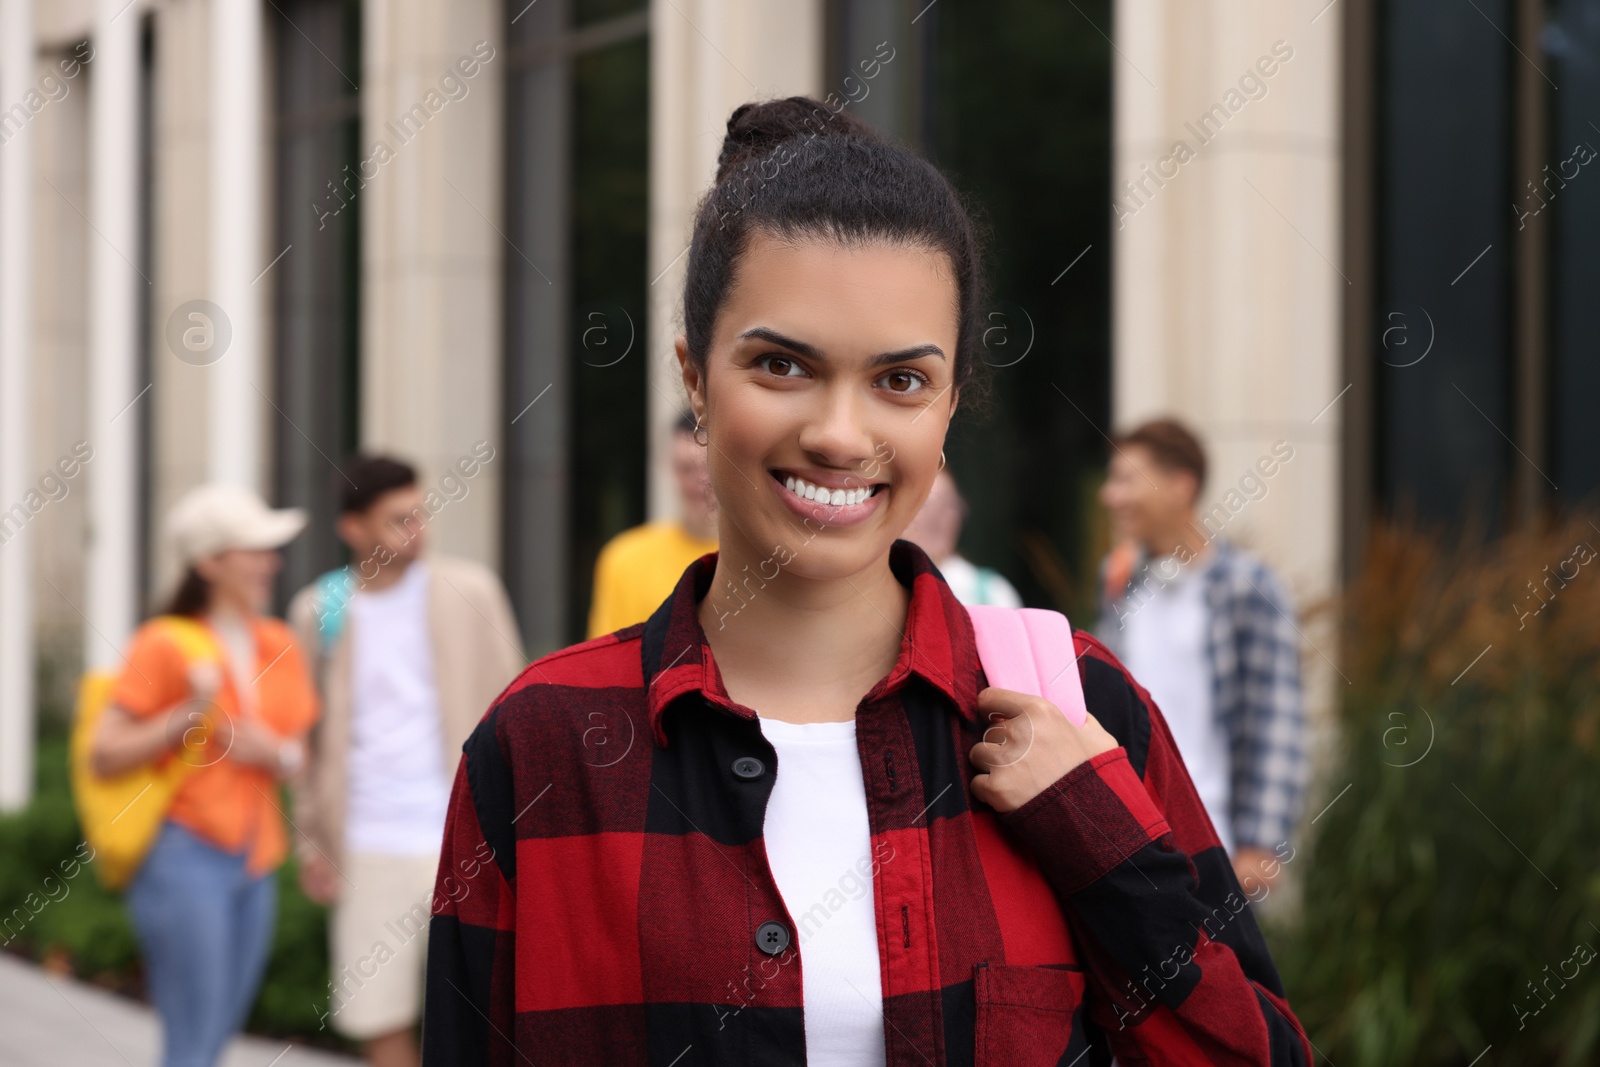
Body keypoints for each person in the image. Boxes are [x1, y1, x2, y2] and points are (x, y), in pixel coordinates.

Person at [425, 97, 1311, 1064]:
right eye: (781, 365)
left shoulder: (1087, 714)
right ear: (693, 376)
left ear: (950, 405)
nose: (843, 435)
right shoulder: (540, 748)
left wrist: (1097, 839)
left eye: (900, 381)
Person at [286, 454, 525, 1067]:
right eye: (397, 520)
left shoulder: (470, 590)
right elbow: (305, 737)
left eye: (420, 515)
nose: (416, 530)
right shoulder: (321, 609)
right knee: (379, 1015)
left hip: (466, 838)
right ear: (353, 528)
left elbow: (519, 712)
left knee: (485, 1012)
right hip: (367, 842)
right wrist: (312, 839)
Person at [91, 484, 320, 1067]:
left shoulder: (279, 641)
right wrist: (183, 719)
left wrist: (276, 755)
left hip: (256, 853)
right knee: (193, 1036)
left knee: (218, 1031)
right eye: (255, 548)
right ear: (209, 562)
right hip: (183, 850)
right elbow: (104, 752)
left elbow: (299, 755)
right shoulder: (165, 642)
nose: (272, 561)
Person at [1096, 417, 1307, 891]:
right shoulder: (1120, 581)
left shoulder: (1246, 585)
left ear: (1180, 487)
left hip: (1218, 844)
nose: (1111, 496)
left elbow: (1278, 715)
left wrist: (1260, 843)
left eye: (1127, 480)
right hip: (1133, 835)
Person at [586, 411, 718, 637]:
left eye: (709, 468)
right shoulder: (624, 559)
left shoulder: (760, 561)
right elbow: (609, 662)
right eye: (686, 468)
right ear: (670, 469)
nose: (699, 483)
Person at [901, 467, 1023, 607]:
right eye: (925, 505)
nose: (936, 519)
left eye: (948, 505)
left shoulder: (993, 593)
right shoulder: (882, 592)